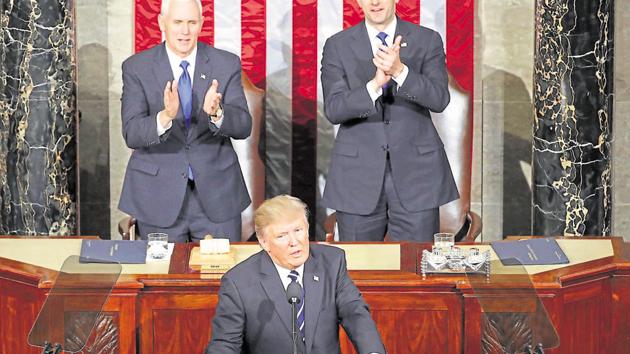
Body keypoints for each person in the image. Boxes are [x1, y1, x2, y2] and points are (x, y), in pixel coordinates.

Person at [320, 0, 459, 242]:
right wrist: (374, 86)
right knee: (359, 270)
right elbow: (334, 109)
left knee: (415, 267)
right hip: (357, 177)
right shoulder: (337, 45)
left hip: (418, 176)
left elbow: (439, 99)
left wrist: (400, 72)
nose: (375, 2)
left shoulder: (427, 40)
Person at [118, 0, 252, 242]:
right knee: (162, 277)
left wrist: (218, 113)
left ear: (201, 24)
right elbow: (132, 133)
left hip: (217, 196)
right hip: (157, 196)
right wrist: (165, 117)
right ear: (162, 23)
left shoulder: (226, 63)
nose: (185, 31)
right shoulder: (137, 67)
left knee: (221, 277)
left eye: (191, 22)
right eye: (177, 22)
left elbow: (243, 125)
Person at [205, 195, 386, 354]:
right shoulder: (239, 282)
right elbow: (225, 343)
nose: (294, 242)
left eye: (298, 230)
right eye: (282, 236)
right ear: (263, 242)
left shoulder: (331, 262)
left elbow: (354, 312)